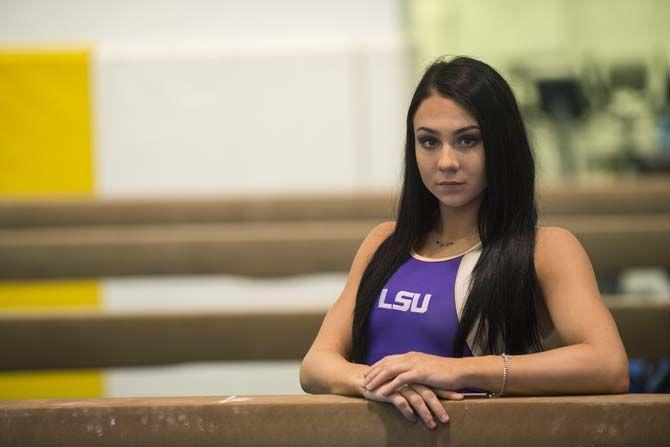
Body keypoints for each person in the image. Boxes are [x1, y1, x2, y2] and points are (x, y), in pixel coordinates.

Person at [299, 56, 629, 430]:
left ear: (501, 145)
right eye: (428, 141)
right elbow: (316, 364)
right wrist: (376, 383)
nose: (446, 161)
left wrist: (455, 371)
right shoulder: (384, 242)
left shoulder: (545, 249)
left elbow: (608, 365)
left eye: (467, 140)